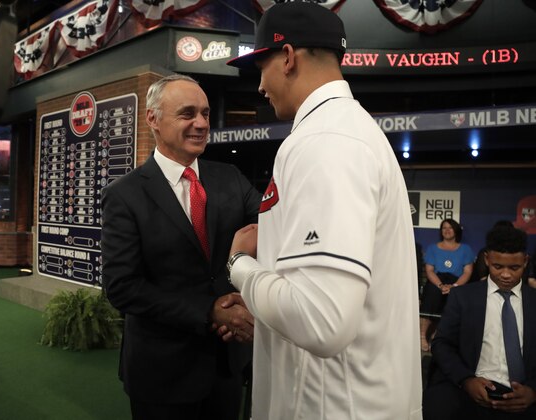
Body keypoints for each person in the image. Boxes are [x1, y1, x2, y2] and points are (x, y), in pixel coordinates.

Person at [225, 2, 422, 419]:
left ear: (288, 57)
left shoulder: (326, 139)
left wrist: (240, 265)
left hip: (334, 406)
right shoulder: (348, 129)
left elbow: (321, 322)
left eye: (262, 66)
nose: (259, 86)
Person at [101, 74, 262, 420]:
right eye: (188, 114)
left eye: (205, 113)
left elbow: (275, 226)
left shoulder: (230, 177)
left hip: (226, 365)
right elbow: (122, 287)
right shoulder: (124, 196)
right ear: (153, 119)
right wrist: (209, 311)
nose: (202, 123)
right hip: (161, 373)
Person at [423, 225, 536, 420]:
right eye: (498, 266)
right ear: (486, 260)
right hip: (469, 385)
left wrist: (533, 391)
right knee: (438, 404)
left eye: (514, 267)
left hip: (524, 392)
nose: (506, 275)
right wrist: (466, 380)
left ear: (525, 262)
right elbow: (441, 344)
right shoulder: (462, 297)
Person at [420, 218, 475, 351]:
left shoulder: (466, 249)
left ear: (456, 231)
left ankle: (436, 336)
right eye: (444, 228)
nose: (447, 230)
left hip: (456, 282)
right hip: (436, 280)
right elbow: (429, 271)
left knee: (454, 297)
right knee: (432, 293)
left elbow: (467, 272)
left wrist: (454, 286)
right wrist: (440, 285)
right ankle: (422, 336)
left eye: (450, 228)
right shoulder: (433, 248)